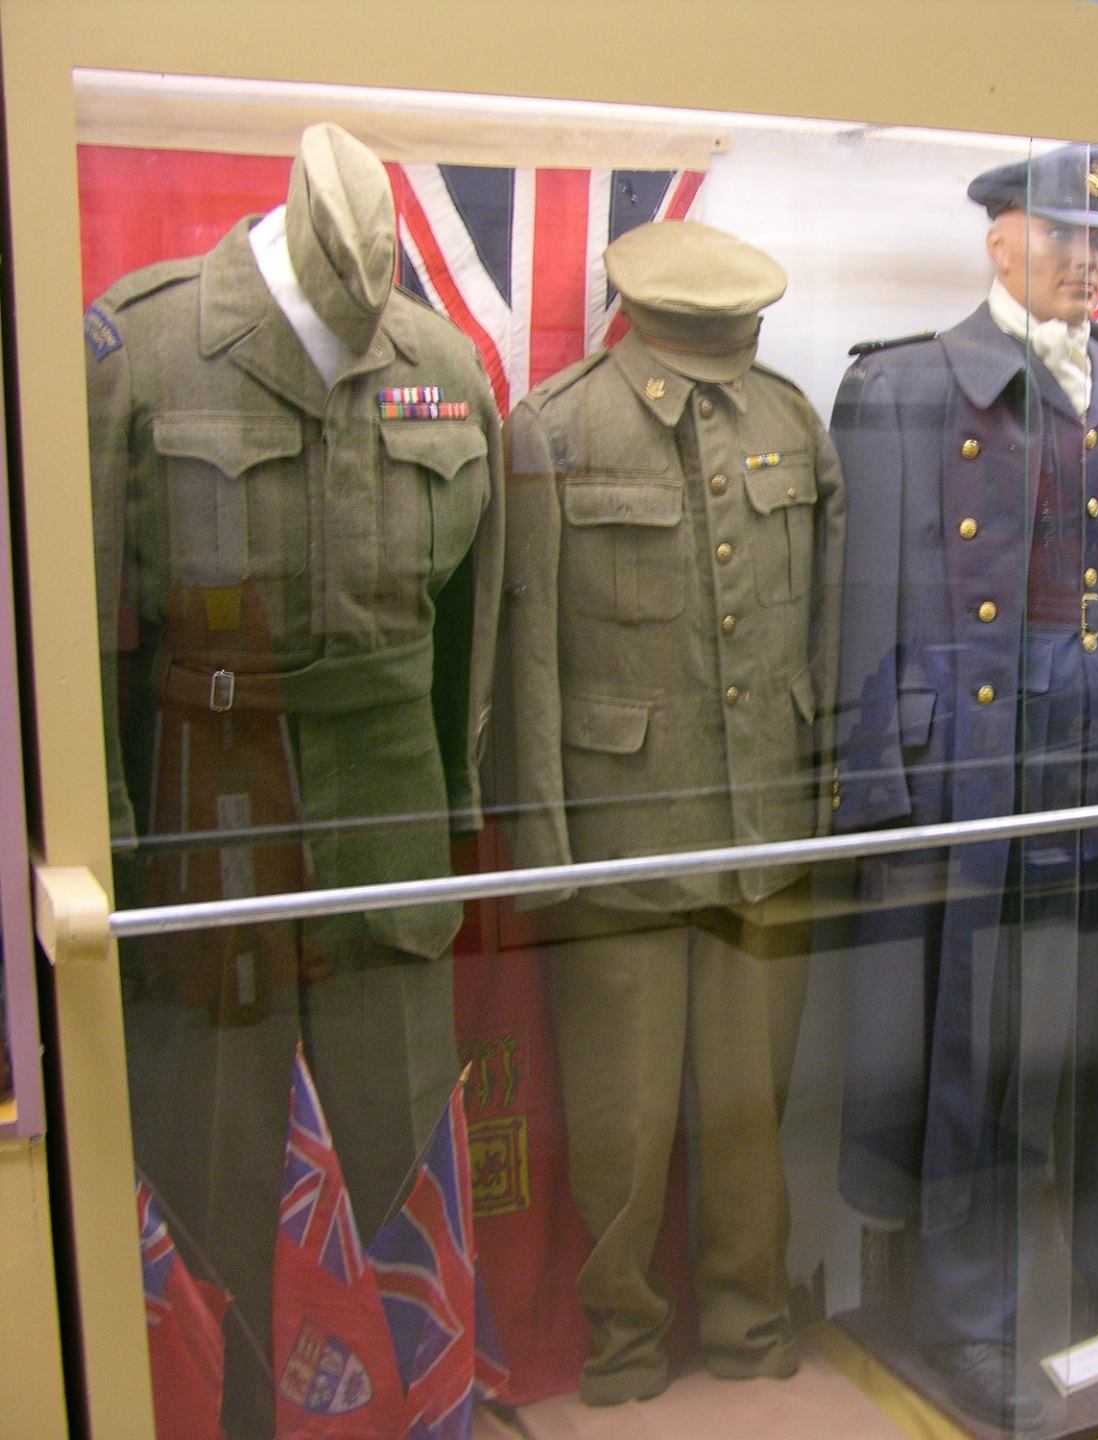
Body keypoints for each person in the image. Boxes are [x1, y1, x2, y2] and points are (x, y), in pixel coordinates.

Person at [87, 123, 502, 1435]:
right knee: (211, 1178)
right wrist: (105, 856)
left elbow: (465, 638)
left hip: (388, 839)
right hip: (211, 823)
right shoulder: (138, 353)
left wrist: (460, 820)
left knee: (398, 1179)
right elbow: (86, 632)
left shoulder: (443, 369)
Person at [831, 144, 1098, 1428]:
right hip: (980, 756)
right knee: (979, 1044)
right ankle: (968, 1320)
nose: (1088, 262)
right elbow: (862, 612)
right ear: (997, 240)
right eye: (1061, 236)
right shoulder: (903, 388)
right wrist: (875, 782)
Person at [496, 220, 844, 1402]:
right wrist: (544, 855)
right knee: (621, 1125)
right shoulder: (554, 428)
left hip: (768, 829)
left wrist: (832, 819)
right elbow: (525, 663)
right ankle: (624, 1343)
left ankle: (750, 1324)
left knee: (753, 1114)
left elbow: (828, 638)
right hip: (622, 837)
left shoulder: (792, 421)